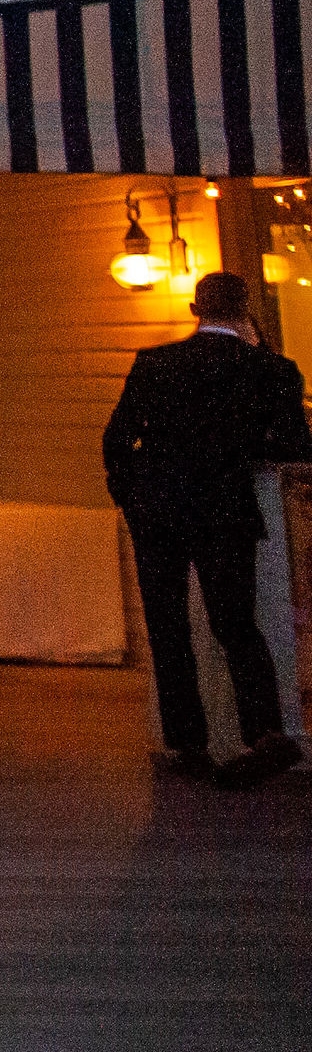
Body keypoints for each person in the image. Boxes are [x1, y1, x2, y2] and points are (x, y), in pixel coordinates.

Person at [103, 270, 308, 787]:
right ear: (244, 314)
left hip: (158, 511)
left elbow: (117, 437)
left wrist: (130, 496)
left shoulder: (155, 365)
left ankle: (187, 742)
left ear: (197, 310)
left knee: (168, 628)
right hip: (225, 509)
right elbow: (294, 446)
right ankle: (263, 732)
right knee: (236, 624)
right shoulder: (273, 371)